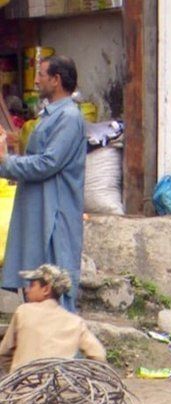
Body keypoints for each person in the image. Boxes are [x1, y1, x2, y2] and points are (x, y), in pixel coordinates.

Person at [0, 55, 85, 311]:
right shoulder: (50, 116)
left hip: (55, 213)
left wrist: (7, 162)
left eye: (41, 75)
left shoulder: (69, 117)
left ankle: (59, 350)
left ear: (56, 80)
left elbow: (49, 163)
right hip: (39, 210)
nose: (36, 80)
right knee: (36, 284)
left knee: (55, 285)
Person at [0, 264, 105, 373]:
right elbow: (98, 354)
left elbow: (4, 353)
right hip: (59, 387)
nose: (27, 290)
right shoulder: (75, 322)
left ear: (46, 289)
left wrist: (14, 376)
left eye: (32, 285)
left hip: (23, 386)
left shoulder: (23, 311)